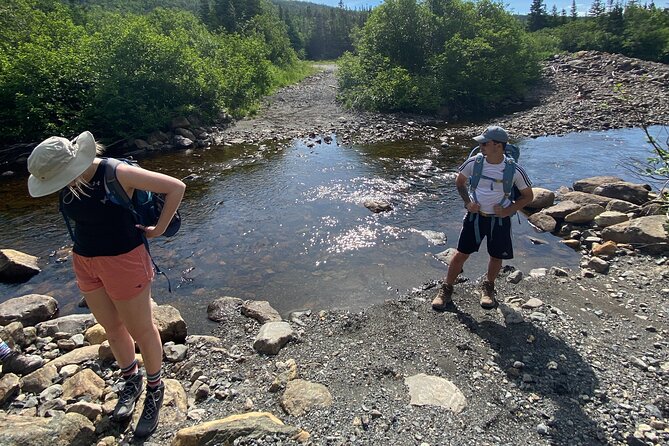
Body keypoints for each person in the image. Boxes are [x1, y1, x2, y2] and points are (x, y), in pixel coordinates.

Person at [27, 132, 185, 438]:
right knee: (112, 328)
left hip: (125, 259)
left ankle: (155, 387)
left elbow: (175, 186)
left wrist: (158, 229)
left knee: (141, 329)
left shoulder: (114, 172)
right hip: (84, 259)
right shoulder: (68, 180)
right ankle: (131, 380)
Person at [432, 125, 533, 310]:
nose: (481, 146)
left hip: (500, 221)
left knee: (496, 256)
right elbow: (460, 182)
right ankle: (446, 288)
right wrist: (467, 203)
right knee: (461, 253)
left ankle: (488, 288)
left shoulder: (514, 170)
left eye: (485, 143)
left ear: (498, 146)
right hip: (475, 218)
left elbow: (528, 196)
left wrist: (509, 210)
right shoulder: (474, 163)